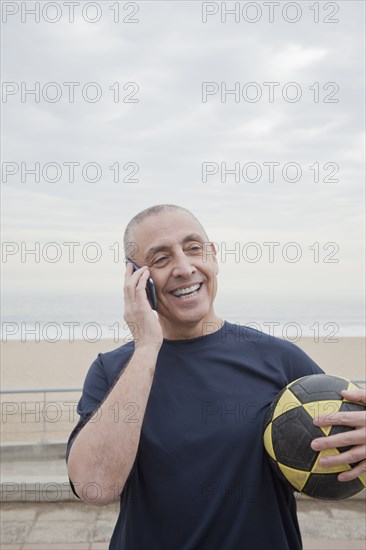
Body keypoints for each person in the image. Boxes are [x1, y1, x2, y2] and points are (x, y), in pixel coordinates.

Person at [66, 204, 366, 550]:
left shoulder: (279, 359)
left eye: (193, 248)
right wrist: (147, 346)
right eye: (161, 259)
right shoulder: (112, 370)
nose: (183, 267)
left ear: (214, 257)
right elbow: (96, 485)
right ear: (136, 279)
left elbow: (343, 442)